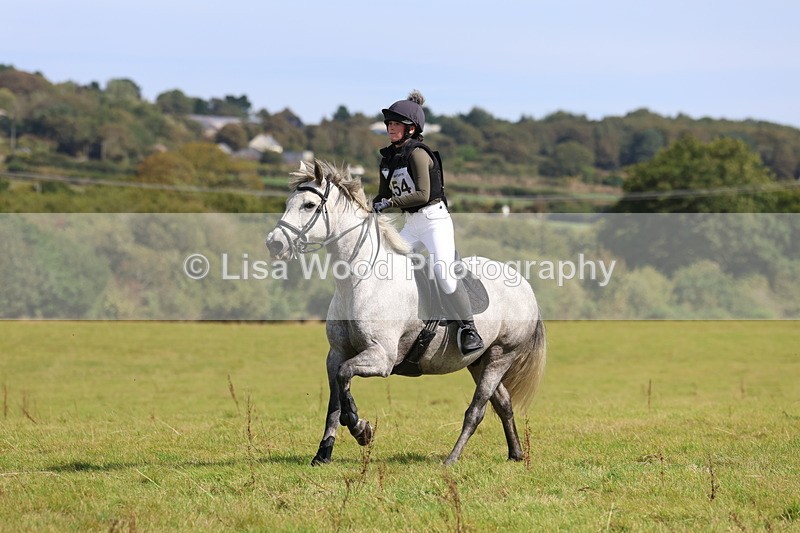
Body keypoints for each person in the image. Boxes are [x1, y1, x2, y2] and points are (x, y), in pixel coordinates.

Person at [373, 91, 484, 356]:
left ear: (411, 128)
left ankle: (469, 329)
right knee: (385, 264)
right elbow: (382, 194)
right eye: (389, 123)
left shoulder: (418, 154)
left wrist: (389, 204)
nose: (390, 127)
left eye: (396, 124)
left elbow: (422, 194)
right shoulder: (388, 159)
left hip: (434, 220)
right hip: (411, 223)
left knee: (442, 271)